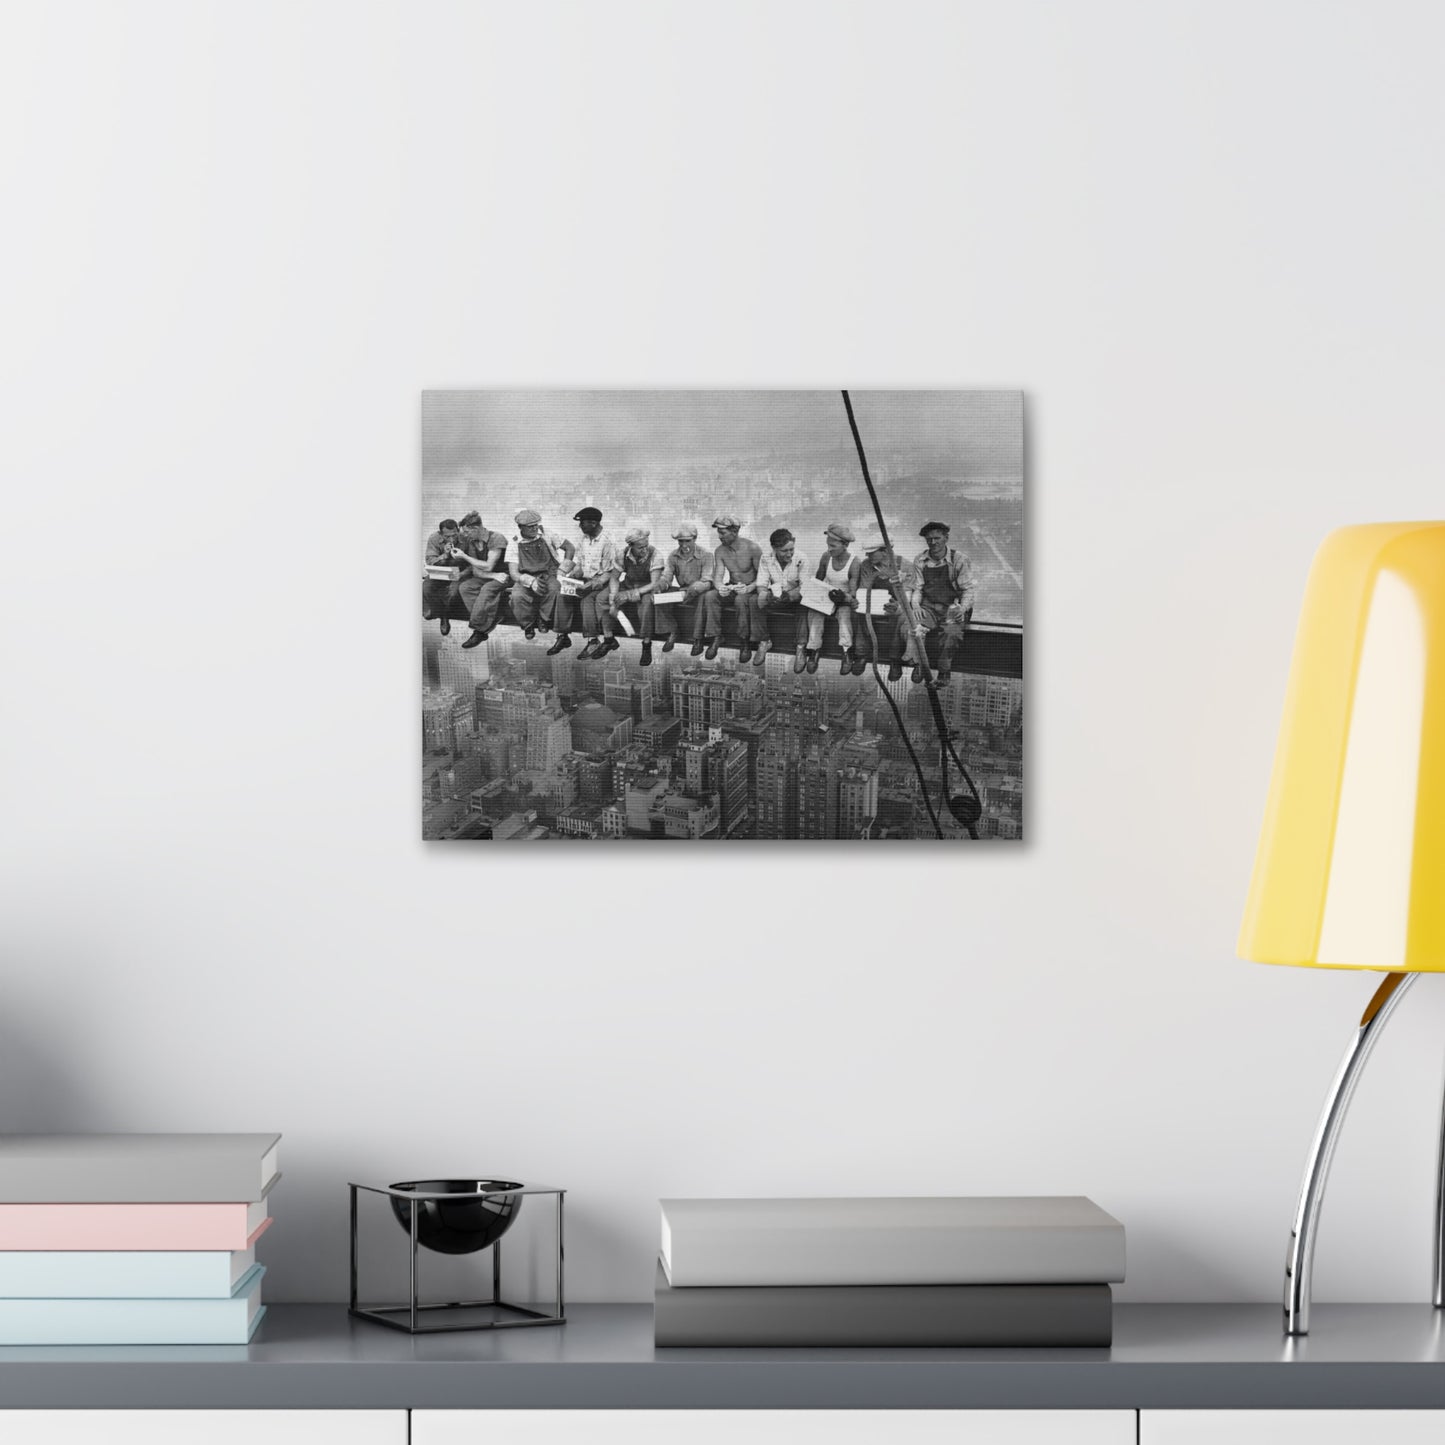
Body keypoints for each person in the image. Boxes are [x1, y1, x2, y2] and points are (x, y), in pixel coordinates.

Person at [905, 521, 976, 683]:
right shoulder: (921, 560)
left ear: (946, 538)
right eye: (929, 539)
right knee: (915, 626)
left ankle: (944, 670)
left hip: (953, 607)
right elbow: (918, 588)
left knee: (951, 633)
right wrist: (915, 605)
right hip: (929, 606)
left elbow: (968, 590)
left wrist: (962, 609)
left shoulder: (959, 559)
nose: (933, 542)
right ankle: (919, 664)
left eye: (937, 538)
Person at [556, 507, 618, 660]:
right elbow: (579, 563)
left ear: (594, 523)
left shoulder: (608, 541)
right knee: (562, 594)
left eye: (583, 523)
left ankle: (593, 640)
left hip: (602, 582)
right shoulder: (584, 539)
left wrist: (589, 586)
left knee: (587, 600)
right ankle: (562, 635)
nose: (580, 527)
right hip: (586, 580)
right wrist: (567, 575)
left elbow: (609, 572)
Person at [854, 535, 918, 681]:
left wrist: (896, 607)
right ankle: (861, 654)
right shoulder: (866, 565)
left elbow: (906, 597)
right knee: (860, 614)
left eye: (871, 552)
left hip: (895, 605)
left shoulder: (905, 566)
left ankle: (895, 660)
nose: (867, 555)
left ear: (885, 551)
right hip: (873, 604)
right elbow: (863, 589)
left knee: (901, 617)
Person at [804, 523, 864, 675]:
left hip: (843, 600)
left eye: (833, 546)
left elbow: (853, 592)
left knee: (844, 617)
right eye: (828, 545)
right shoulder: (826, 557)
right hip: (827, 596)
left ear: (844, 545)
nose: (829, 549)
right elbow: (818, 579)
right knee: (815, 614)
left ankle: (846, 651)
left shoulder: (854, 563)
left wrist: (843, 597)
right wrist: (814, 593)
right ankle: (814, 650)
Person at [508, 510, 574, 646]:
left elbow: (570, 548)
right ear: (520, 527)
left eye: (535, 525)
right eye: (530, 526)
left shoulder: (546, 533)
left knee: (555, 589)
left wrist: (563, 569)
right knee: (517, 595)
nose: (534, 528)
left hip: (549, 573)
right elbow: (514, 573)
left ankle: (544, 619)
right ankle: (528, 625)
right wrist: (531, 581)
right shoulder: (514, 542)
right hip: (526, 575)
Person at [452, 512, 510, 651]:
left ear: (476, 528)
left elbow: (488, 565)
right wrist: (492, 575)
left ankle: (479, 631)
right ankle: (492, 618)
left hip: (506, 576)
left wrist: (464, 556)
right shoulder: (472, 542)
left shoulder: (496, 538)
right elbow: (476, 571)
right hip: (492, 576)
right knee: (465, 587)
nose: (465, 535)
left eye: (467, 532)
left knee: (487, 589)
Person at [607, 527, 665, 665]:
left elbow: (654, 583)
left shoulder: (656, 555)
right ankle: (609, 638)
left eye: (646, 546)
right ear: (631, 546)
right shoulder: (623, 554)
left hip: (646, 588)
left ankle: (646, 643)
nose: (644, 550)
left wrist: (631, 594)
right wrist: (614, 595)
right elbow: (614, 578)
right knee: (608, 603)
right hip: (629, 584)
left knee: (646, 605)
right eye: (640, 548)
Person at [710, 515, 764, 663]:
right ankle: (716, 636)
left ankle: (744, 642)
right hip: (733, 586)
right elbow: (718, 576)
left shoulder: (753, 548)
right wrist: (720, 587)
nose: (719, 536)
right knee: (710, 596)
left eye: (723, 532)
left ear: (734, 531)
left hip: (750, 590)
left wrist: (749, 588)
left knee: (741, 600)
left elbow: (763, 577)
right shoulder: (720, 551)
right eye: (718, 532)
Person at [755, 527, 809, 673]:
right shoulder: (766, 558)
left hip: (795, 598)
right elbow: (761, 583)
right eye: (784, 551)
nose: (789, 554)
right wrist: (766, 595)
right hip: (775, 597)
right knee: (756, 600)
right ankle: (764, 640)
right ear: (774, 549)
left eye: (791, 549)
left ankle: (800, 648)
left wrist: (790, 596)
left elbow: (805, 587)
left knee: (804, 606)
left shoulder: (802, 558)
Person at [656, 523, 715, 655]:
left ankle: (698, 639)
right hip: (683, 591)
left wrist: (695, 588)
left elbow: (708, 580)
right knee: (659, 599)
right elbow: (667, 576)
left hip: (700, 591)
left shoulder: (706, 555)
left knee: (702, 601)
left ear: (694, 539)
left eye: (687, 541)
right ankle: (672, 631)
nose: (684, 545)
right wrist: (661, 585)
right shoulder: (673, 556)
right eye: (681, 541)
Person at [422, 518, 460, 636]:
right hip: (440, 571)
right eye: (447, 537)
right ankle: (440, 613)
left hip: (459, 572)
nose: (451, 539)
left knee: (453, 593)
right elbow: (430, 561)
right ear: (441, 534)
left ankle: (445, 616)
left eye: (454, 535)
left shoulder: (465, 537)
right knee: (426, 588)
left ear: (458, 531)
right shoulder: (434, 538)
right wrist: (445, 555)